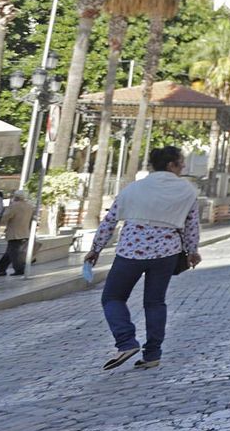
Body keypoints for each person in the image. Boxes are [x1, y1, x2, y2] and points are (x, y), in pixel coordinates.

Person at [84, 146, 202, 370]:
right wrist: (192, 250)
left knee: (112, 298)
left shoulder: (134, 189)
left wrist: (96, 248)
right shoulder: (187, 191)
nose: (183, 166)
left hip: (130, 251)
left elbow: (110, 221)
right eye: (181, 162)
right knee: (155, 302)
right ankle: (152, 355)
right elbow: (191, 226)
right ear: (171, 165)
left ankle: (126, 341)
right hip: (166, 253)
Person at [0, 191, 36, 277]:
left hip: (14, 232)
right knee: (10, 252)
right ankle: (1, 269)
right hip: (24, 232)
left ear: (15, 196)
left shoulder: (14, 206)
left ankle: (19, 269)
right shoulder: (30, 206)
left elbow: (5, 217)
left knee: (12, 252)